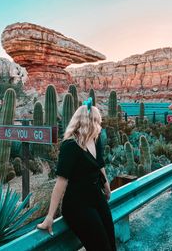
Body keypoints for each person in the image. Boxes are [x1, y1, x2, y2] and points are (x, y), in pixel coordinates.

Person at [37, 97, 116, 251]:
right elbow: (61, 181)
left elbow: (100, 164)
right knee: (101, 247)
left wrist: (107, 187)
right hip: (78, 204)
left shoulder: (95, 139)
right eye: (95, 121)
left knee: (111, 243)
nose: (98, 125)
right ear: (85, 122)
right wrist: (50, 216)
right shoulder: (70, 146)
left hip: (96, 196)